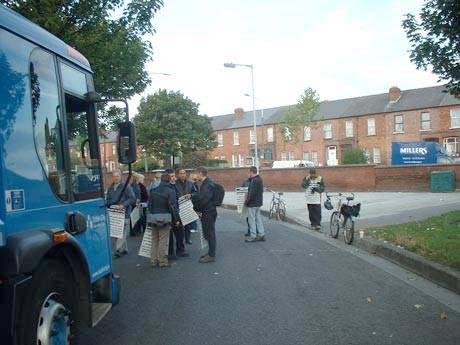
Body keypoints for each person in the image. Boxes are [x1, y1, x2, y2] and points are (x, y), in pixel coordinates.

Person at [148, 173, 180, 268]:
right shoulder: (171, 191)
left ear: (161, 180)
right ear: (169, 180)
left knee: (154, 240)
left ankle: (153, 261)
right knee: (163, 240)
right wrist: (176, 219)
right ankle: (162, 261)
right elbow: (173, 207)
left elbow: (150, 206)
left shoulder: (153, 191)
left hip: (153, 217)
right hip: (165, 218)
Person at [106, 170, 136, 257]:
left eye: (117, 176)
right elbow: (108, 199)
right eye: (114, 176)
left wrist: (123, 205)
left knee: (121, 232)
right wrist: (108, 205)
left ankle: (118, 250)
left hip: (124, 213)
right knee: (118, 232)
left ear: (121, 176)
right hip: (114, 214)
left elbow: (132, 198)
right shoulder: (110, 187)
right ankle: (124, 249)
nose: (116, 178)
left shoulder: (126, 186)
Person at [192, 167, 217, 263]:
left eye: (196, 173)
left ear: (200, 173)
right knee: (208, 233)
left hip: (208, 212)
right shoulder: (206, 183)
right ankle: (210, 253)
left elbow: (203, 200)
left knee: (210, 234)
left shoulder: (207, 185)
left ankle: (211, 255)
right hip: (209, 211)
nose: (195, 176)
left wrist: (195, 207)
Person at [166, 168, 189, 258]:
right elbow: (171, 204)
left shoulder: (175, 185)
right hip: (172, 214)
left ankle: (180, 250)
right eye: (172, 176)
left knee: (180, 233)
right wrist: (176, 218)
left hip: (177, 212)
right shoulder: (168, 187)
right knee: (171, 234)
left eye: (174, 176)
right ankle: (171, 252)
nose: (174, 178)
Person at [245, 166, 266, 242]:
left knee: (251, 220)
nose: (249, 174)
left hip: (252, 203)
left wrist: (247, 202)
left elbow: (251, 193)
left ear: (251, 172)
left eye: (249, 172)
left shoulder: (254, 180)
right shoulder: (259, 179)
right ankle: (261, 234)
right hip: (258, 203)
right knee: (258, 219)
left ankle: (253, 235)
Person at [175, 167, 195, 244]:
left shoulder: (190, 183)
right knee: (180, 225)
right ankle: (180, 240)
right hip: (179, 206)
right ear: (178, 175)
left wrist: (191, 195)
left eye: (184, 173)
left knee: (188, 224)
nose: (183, 175)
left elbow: (196, 193)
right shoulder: (175, 184)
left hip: (188, 205)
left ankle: (187, 239)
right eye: (181, 173)